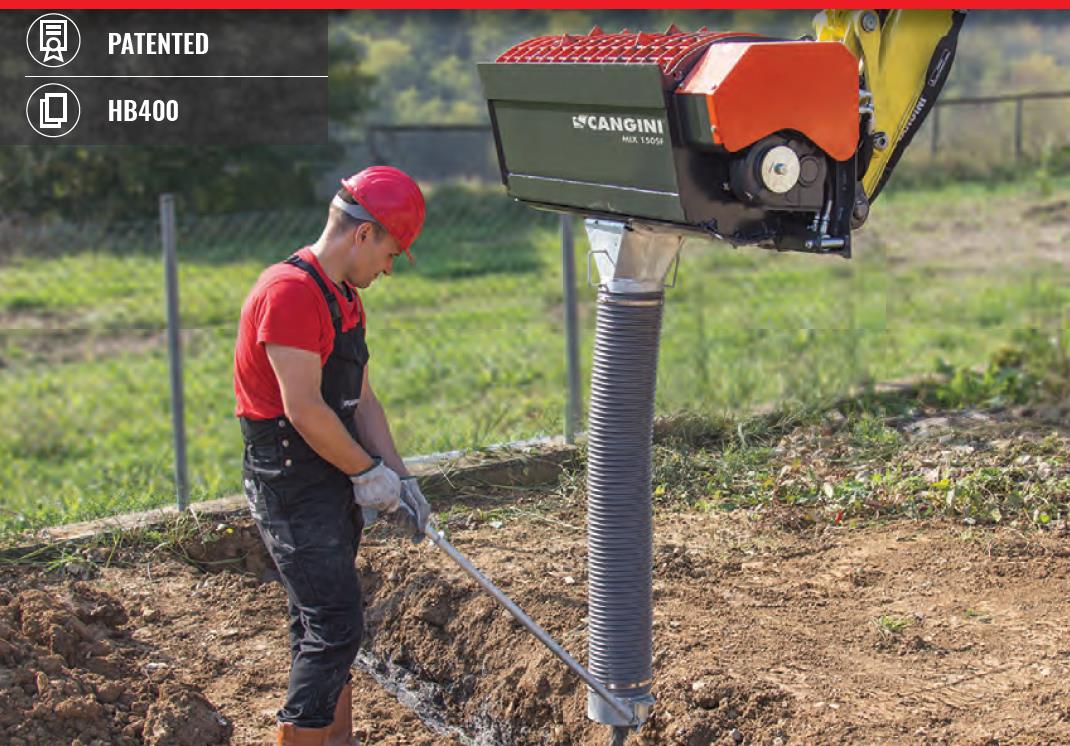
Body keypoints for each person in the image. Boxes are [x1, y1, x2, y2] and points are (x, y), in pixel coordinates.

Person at [233, 166, 433, 746]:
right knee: (335, 626)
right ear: (363, 235)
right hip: (290, 475)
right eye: (391, 253)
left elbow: (361, 398)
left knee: (321, 623)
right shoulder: (289, 293)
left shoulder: (345, 296)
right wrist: (367, 473)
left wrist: (400, 476)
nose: (389, 269)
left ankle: (337, 740)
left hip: (329, 466)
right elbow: (305, 410)